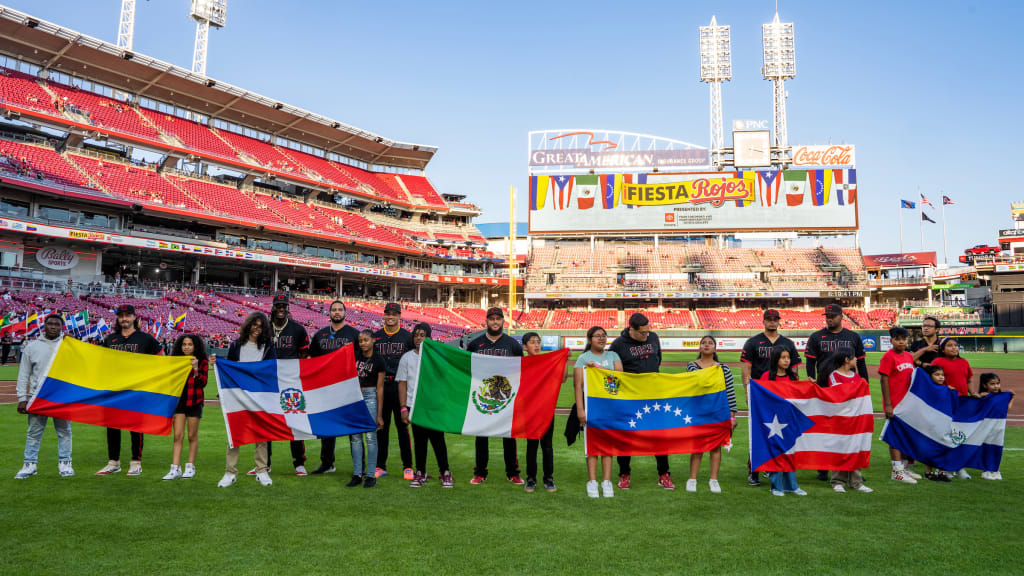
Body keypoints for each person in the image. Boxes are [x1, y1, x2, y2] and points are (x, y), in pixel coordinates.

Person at [609, 312, 673, 490]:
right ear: (631, 329)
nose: (646, 336)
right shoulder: (618, 345)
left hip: (653, 396)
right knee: (625, 437)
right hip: (630, 398)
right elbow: (612, 373)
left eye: (647, 332)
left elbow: (657, 360)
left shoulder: (653, 337)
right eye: (642, 333)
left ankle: (664, 474)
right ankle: (624, 474)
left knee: (658, 436)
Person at [96, 304, 163, 477]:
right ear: (118, 318)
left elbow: (161, 360)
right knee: (111, 426)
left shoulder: (145, 339)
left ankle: (135, 462)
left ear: (134, 317)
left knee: (135, 427)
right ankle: (113, 462)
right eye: (121, 316)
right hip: (114, 389)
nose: (124, 318)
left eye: (127, 315)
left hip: (136, 390)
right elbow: (101, 362)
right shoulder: (110, 339)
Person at [740, 309, 801, 486]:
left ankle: (771, 466)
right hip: (761, 395)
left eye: (775, 319)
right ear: (764, 321)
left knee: (778, 432)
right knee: (759, 433)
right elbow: (746, 369)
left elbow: (795, 368)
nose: (772, 322)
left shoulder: (787, 342)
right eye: (769, 319)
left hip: (782, 396)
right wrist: (747, 391)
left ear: (779, 321)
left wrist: (794, 391)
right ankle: (754, 470)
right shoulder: (753, 342)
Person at [217, 312, 276, 488]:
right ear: (249, 325)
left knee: (261, 435)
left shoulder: (268, 347)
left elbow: (271, 369)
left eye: (261, 326)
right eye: (255, 325)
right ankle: (230, 472)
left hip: (260, 396)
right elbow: (229, 368)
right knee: (234, 433)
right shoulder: (236, 345)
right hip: (238, 396)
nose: (257, 329)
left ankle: (261, 470)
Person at [467, 307, 523, 485]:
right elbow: (467, 369)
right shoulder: (475, 344)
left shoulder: (512, 344)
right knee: (481, 436)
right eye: (492, 319)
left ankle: (513, 472)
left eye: (498, 319)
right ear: (486, 321)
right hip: (482, 396)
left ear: (503, 321)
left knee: (508, 436)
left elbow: (521, 370)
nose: (495, 322)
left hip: (506, 397)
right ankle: (480, 473)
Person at [15, 314, 72, 479]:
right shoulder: (32, 347)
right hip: (37, 397)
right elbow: (24, 374)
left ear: (61, 327)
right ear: (44, 326)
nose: (53, 327)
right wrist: (22, 398)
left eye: (57, 324)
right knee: (34, 432)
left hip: (61, 397)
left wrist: (75, 342)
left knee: (64, 432)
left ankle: (65, 464)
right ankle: (29, 464)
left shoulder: (67, 345)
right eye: (50, 324)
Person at [308, 300, 360, 475]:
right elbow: (312, 361)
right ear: (329, 314)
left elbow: (361, 359)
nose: (337, 312)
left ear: (345, 313)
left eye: (340, 310)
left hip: (348, 387)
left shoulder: (354, 335)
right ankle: (327, 463)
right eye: (334, 310)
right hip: (326, 388)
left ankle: (358, 465)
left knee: (353, 428)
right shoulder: (320, 335)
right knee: (327, 427)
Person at [399, 323, 453, 488]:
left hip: (434, 405)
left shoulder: (438, 357)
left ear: (429, 337)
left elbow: (446, 380)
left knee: (438, 440)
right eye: (416, 335)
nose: (419, 338)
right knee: (420, 441)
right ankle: (420, 472)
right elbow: (402, 384)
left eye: (422, 335)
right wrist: (403, 408)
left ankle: (445, 472)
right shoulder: (407, 358)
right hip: (414, 406)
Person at [684, 336, 738, 494]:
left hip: (718, 412)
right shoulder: (692, 366)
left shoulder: (724, 368)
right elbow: (694, 386)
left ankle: (713, 479)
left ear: (715, 348)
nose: (706, 345)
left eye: (710, 343)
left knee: (716, 447)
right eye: (703, 343)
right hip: (698, 412)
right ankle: (692, 478)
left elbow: (730, 392)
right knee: (697, 447)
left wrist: (732, 416)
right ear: (699, 347)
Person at [573, 326, 622, 498]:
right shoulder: (583, 359)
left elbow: (620, 380)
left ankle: (606, 482)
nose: (601, 338)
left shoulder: (613, 356)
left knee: (608, 446)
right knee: (592, 446)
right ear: (589, 339)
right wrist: (580, 410)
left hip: (610, 407)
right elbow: (578, 387)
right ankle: (592, 481)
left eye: (604, 336)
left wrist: (598, 371)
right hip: (591, 407)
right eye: (597, 336)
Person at [265, 293, 311, 476]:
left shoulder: (298, 329)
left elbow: (305, 356)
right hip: (268, 383)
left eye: (284, 306)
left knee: (294, 421)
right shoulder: (263, 328)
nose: (281, 309)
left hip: (291, 384)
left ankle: (299, 462)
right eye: (278, 306)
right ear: (273, 307)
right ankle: (264, 463)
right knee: (266, 422)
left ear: (288, 308)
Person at [815, 350, 872, 494]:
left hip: (855, 420)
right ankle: (837, 481)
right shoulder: (834, 375)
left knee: (855, 448)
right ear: (847, 359)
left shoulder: (856, 376)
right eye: (854, 357)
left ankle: (856, 482)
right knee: (840, 449)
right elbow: (838, 393)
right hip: (840, 419)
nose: (857, 359)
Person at [373, 302, 415, 480]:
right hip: (381, 386)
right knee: (381, 427)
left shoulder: (407, 337)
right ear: (384, 315)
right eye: (388, 313)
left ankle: (408, 466)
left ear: (400, 316)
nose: (391, 317)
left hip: (400, 387)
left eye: (394, 314)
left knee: (403, 428)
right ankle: (380, 465)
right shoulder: (376, 337)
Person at [930, 337, 978, 480]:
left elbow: (968, 379)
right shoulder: (938, 362)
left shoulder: (964, 362)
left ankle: (959, 467)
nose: (954, 348)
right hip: (945, 403)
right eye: (949, 345)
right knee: (945, 434)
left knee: (959, 434)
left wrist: (973, 393)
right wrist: (945, 388)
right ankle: (943, 467)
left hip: (962, 403)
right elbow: (931, 380)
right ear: (942, 349)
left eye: (956, 345)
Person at [762, 346, 807, 496]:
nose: (787, 360)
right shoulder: (767, 376)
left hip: (789, 420)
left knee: (790, 451)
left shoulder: (793, 377)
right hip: (773, 422)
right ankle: (775, 486)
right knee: (776, 453)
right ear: (776, 359)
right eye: (783, 357)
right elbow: (763, 399)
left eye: (788, 357)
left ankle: (792, 486)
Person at [162, 334, 208, 481]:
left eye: (189, 344)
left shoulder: (202, 362)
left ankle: (190, 466)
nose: (186, 347)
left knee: (191, 436)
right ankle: (175, 468)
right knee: (177, 435)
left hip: (195, 401)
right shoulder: (176, 362)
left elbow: (203, 382)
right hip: (179, 402)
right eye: (184, 344)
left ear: (195, 346)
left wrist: (195, 369)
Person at [878, 327, 919, 484]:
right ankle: (897, 471)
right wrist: (888, 404)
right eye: (898, 339)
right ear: (891, 340)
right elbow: (884, 380)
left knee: (905, 436)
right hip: (895, 403)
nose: (901, 341)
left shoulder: (909, 356)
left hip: (907, 403)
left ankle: (904, 467)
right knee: (895, 437)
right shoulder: (888, 357)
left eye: (904, 339)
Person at [349, 329, 384, 488]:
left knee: (370, 437)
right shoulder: (354, 356)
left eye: (366, 340)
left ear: (373, 340)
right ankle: (357, 474)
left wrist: (379, 414)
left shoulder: (379, 360)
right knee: (355, 438)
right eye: (361, 340)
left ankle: (371, 475)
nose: (363, 343)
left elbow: (380, 388)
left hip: (370, 396)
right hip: (355, 397)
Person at [522, 331, 556, 493]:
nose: (536, 345)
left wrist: (563, 359)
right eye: (532, 342)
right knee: (532, 446)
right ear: (525, 346)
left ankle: (549, 479)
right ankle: (531, 479)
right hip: (530, 412)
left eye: (538, 342)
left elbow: (561, 379)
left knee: (547, 446)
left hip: (546, 411)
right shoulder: (522, 364)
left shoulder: (548, 362)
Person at [978, 373, 1014, 480]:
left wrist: (1012, 398)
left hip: (999, 427)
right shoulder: (984, 396)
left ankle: (996, 470)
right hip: (986, 427)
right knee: (986, 448)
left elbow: (1007, 409)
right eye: (992, 384)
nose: (996, 386)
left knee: (997, 448)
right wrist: (980, 398)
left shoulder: (1002, 397)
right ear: (985, 385)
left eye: (997, 383)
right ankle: (985, 470)